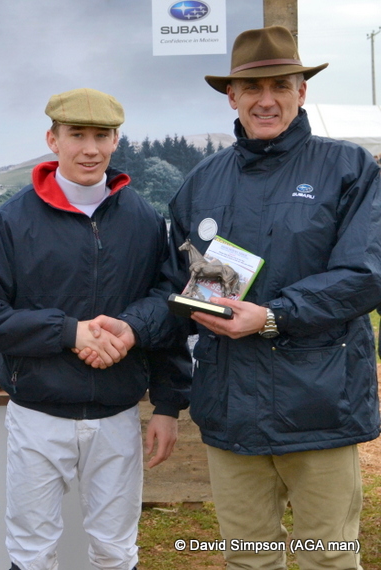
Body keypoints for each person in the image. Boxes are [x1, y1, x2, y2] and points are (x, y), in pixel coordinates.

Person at [81, 26, 381, 570]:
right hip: (231, 410)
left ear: (301, 92)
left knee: (328, 559)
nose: (267, 100)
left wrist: (273, 316)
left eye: (281, 86)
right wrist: (133, 326)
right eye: (253, 88)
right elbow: (176, 289)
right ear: (232, 97)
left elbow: (365, 274)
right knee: (248, 559)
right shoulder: (201, 183)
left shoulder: (348, 169)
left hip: (319, 405)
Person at [0, 88, 191, 570]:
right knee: (32, 551)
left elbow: (170, 307)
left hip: (116, 414)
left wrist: (166, 400)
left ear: (116, 141)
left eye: (101, 136)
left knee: (115, 550)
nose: (90, 149)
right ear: (53, 139)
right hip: (37, 414)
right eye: (76, 135)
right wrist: (69, 333)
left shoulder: (145, 219)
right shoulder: (12, 219)